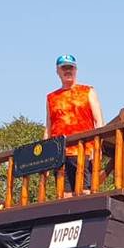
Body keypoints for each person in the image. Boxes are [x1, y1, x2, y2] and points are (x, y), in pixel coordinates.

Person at [46, 54, 104, 190]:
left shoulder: (88, 91)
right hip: (59, 154)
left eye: (71, 67)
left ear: (76, 70)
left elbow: (99, 122)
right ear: (57, 71)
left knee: (85, 191)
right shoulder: (51, 97)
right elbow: (48, 127)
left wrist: (97, 148)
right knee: (63, 194)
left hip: (84, 150)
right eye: (64, 68)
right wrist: (46, 157)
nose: (68, 71)